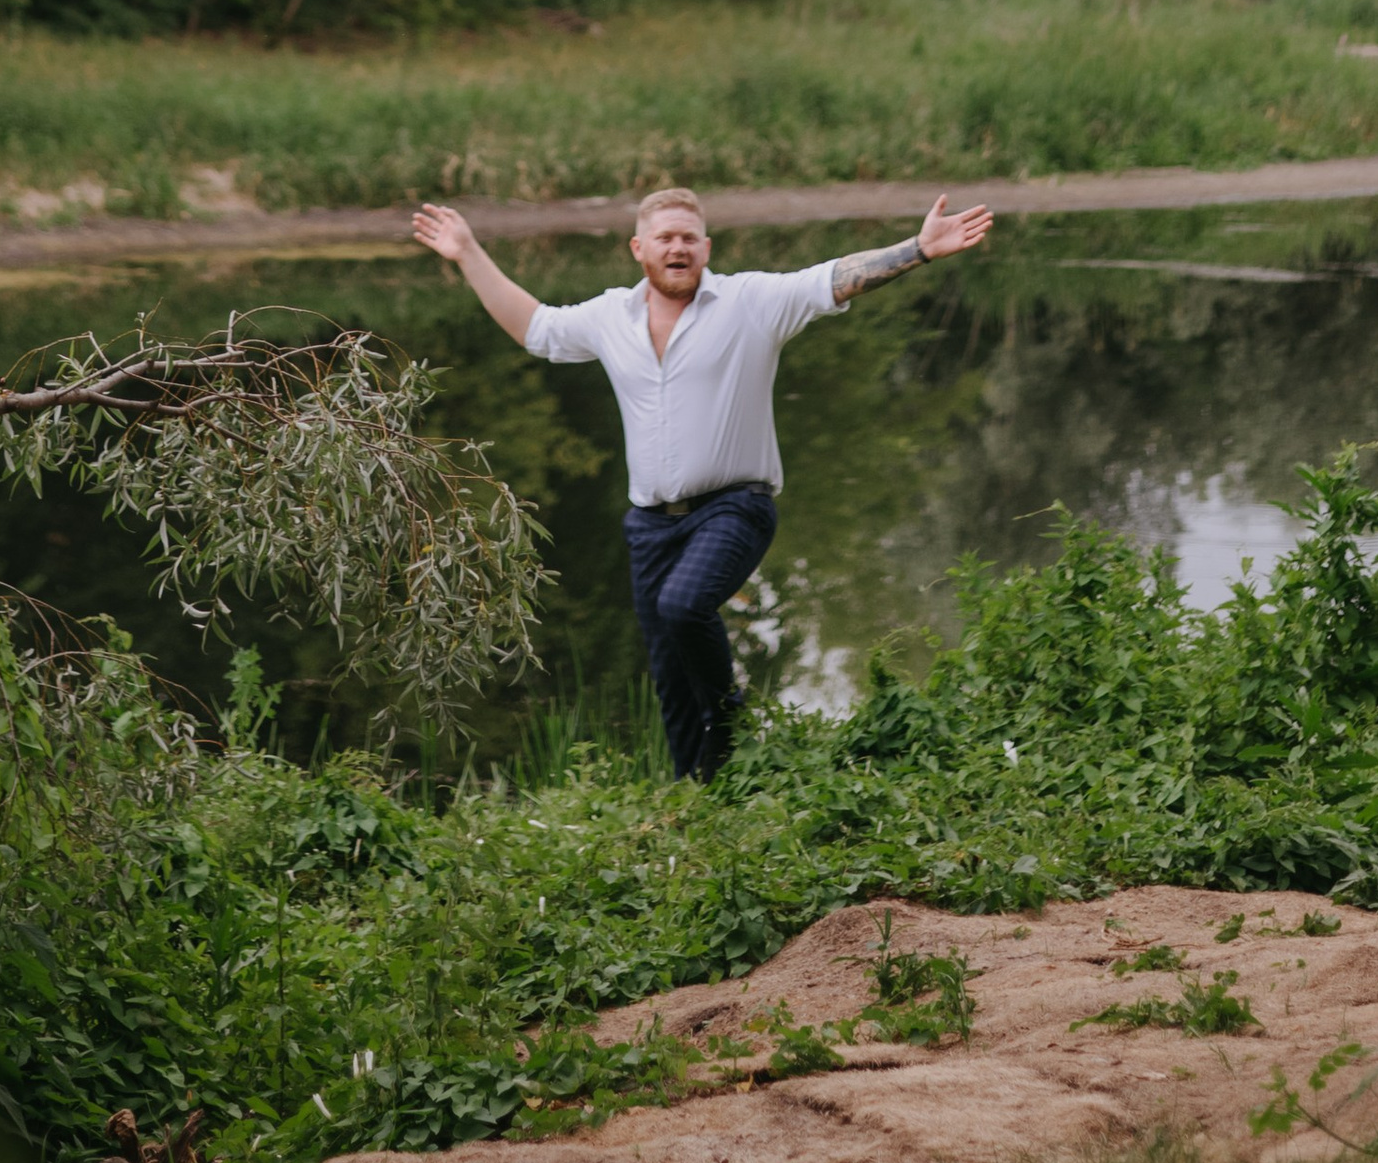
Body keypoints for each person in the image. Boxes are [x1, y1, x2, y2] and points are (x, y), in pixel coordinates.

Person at [410, 180, 994, 783]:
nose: (678, 247)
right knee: (669, 674)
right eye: (665, 238)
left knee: (685, 606)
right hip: (649, 525)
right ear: (640, 249)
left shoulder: (751, 303)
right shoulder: (612, 316)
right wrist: (468, 253)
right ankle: (700, 790)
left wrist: (918, 250)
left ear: (707, 247)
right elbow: (535, 329)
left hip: (734, 507)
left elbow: (832, 277)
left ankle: (733, 716)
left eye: (689, 237)